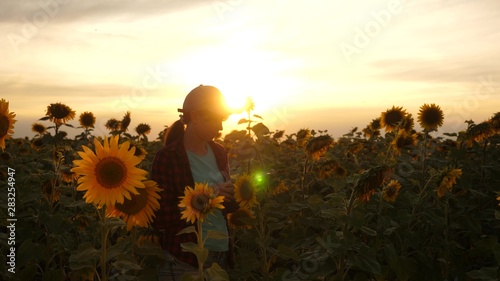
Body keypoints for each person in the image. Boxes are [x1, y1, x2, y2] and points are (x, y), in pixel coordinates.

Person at [151, 85, 238, 280]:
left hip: (220, 254)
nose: (221, 127)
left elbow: (225, 207)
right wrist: (205, 197)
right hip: (184, 259)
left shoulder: (219, 153)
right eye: (216, 119)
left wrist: (236, 194)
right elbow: (160, 217)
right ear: (196, 116)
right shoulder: (168, 157)